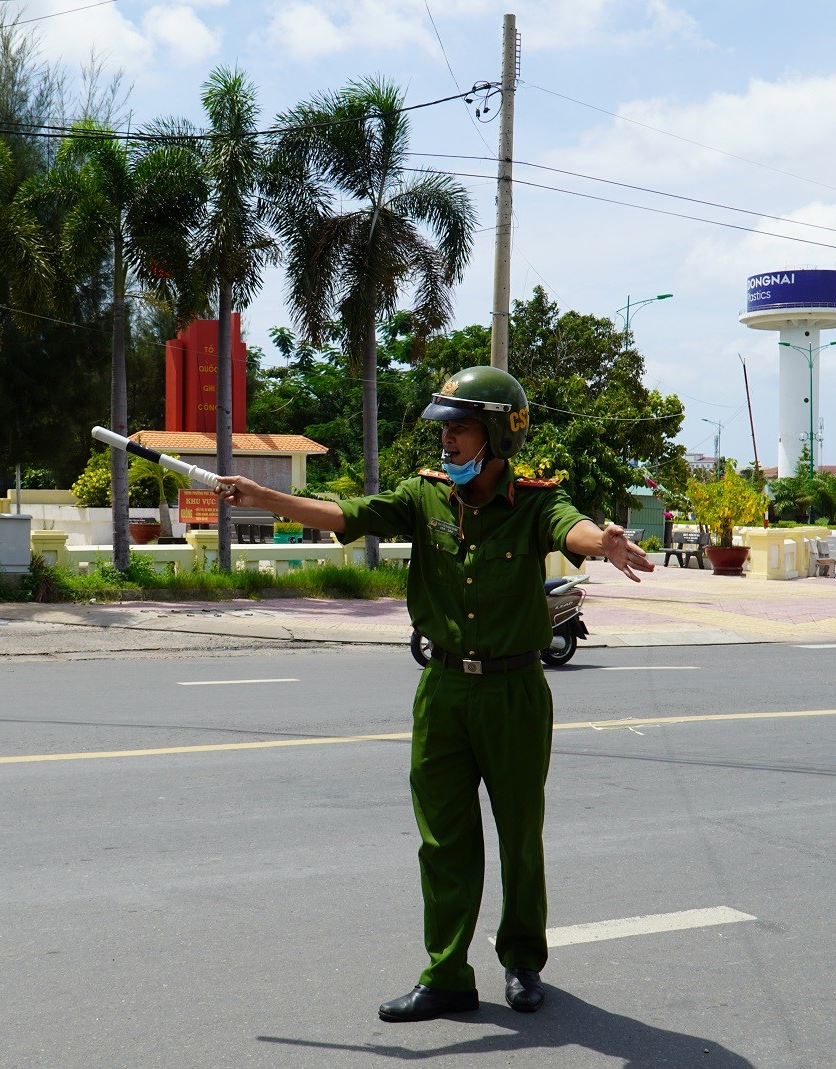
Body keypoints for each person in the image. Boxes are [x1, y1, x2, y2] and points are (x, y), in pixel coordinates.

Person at [214, 365, 654, 1023]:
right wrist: (263, 496)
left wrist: (606, 539)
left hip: (514, 692)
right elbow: (347, 514)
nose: (446, 442)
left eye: (461, 429)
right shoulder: (425, 496)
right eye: (444, 429)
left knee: (519, 833)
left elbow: (571, 528)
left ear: (501, 435)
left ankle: (522, 960)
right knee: (442, 839)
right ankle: (447, 972)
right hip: (443, 689)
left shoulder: (534, 500)